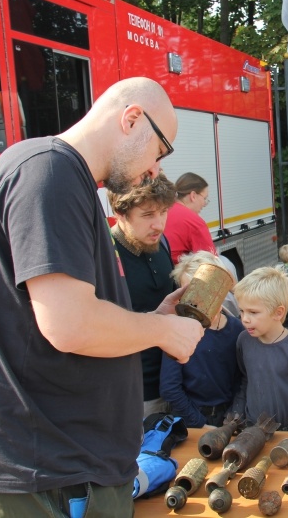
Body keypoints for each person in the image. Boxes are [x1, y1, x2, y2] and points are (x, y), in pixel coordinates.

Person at [0, 77, 205, 517]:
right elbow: (70, 325)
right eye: (159, 150)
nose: (156, 169)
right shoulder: (50, 172)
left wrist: (152, 320)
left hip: (59, 463)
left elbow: (67, 315)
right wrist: (164, 331)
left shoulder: (57, 174)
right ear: (131, 119)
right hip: (48, 469)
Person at [107, 172, 176, 417]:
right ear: (121, 213)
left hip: (175, 388)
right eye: (147, 215)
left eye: (164, 212)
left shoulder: (161, 242)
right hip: (133, 397)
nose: (159, 224)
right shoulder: (105, 257)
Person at [230, 267, 288, 430]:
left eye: (253, 312)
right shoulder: (243, 341)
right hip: (252, 430)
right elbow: (245, 380)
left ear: (278, 312)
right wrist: (237, 413)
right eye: (241, 311)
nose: (245, 319)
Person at [160, 251, 244, 428]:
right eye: (189, 292)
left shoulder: (237, 330)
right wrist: (200, 424)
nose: (198, 300)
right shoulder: (179, 330)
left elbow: (243, 380)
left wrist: (232, 418)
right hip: (190, 419)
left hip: (228, 420)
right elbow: (170, 387)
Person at [163, 172, 216, 264]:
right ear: (193, 196)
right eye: (204, 198)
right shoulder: (194, 221)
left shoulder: (163, 210)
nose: (204, 204)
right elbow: (211, 263)